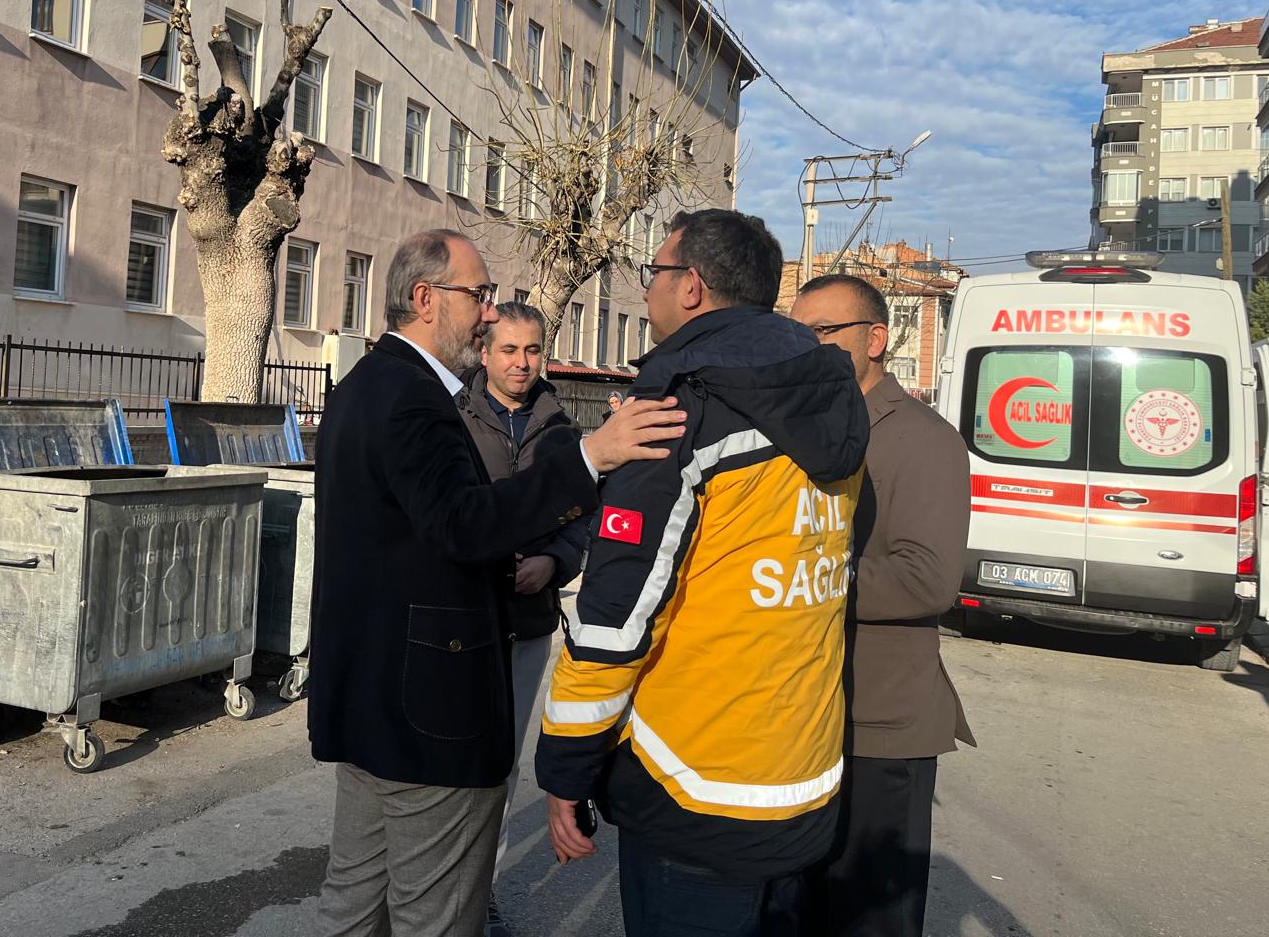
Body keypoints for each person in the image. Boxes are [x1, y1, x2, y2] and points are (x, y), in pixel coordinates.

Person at [309, 229, 686, 937]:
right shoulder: (413, 397)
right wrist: (590, 456)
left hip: (367, 698)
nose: (487, 313)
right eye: (476, 294)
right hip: (424, 714)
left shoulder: (368, 384)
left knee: (354, 903)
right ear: (425, 298)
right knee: (437, 916)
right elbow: (466, 524)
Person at [536, 209, 870, 937]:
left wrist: (564, 768)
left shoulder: (679, 413)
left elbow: (616, 620)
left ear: (690, 287)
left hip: (695, 786)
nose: (647, 288)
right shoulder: (835, 406)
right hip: (804, 777)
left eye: (653, 272)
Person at [788, 274, 975, 937]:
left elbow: (928, 580)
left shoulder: (921, 438)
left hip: (880, 723)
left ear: (875, 339)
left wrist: (803, 578)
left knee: (870, 918)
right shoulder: (806, 429)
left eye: (824, 334)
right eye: (797, 333)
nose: (806, 348)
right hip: (805, 717)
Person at [455, 301, 587, 937]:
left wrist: (554, 559)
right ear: (485, 353)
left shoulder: (562, 428)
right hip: (461, 619)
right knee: (454, 762)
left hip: (529, 620)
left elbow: (582, 515)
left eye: (532, 350)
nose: (521, 363)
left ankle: (481, 897)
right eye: (508, 350)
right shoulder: (453, 418)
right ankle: (437, 890)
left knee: (504, 766)